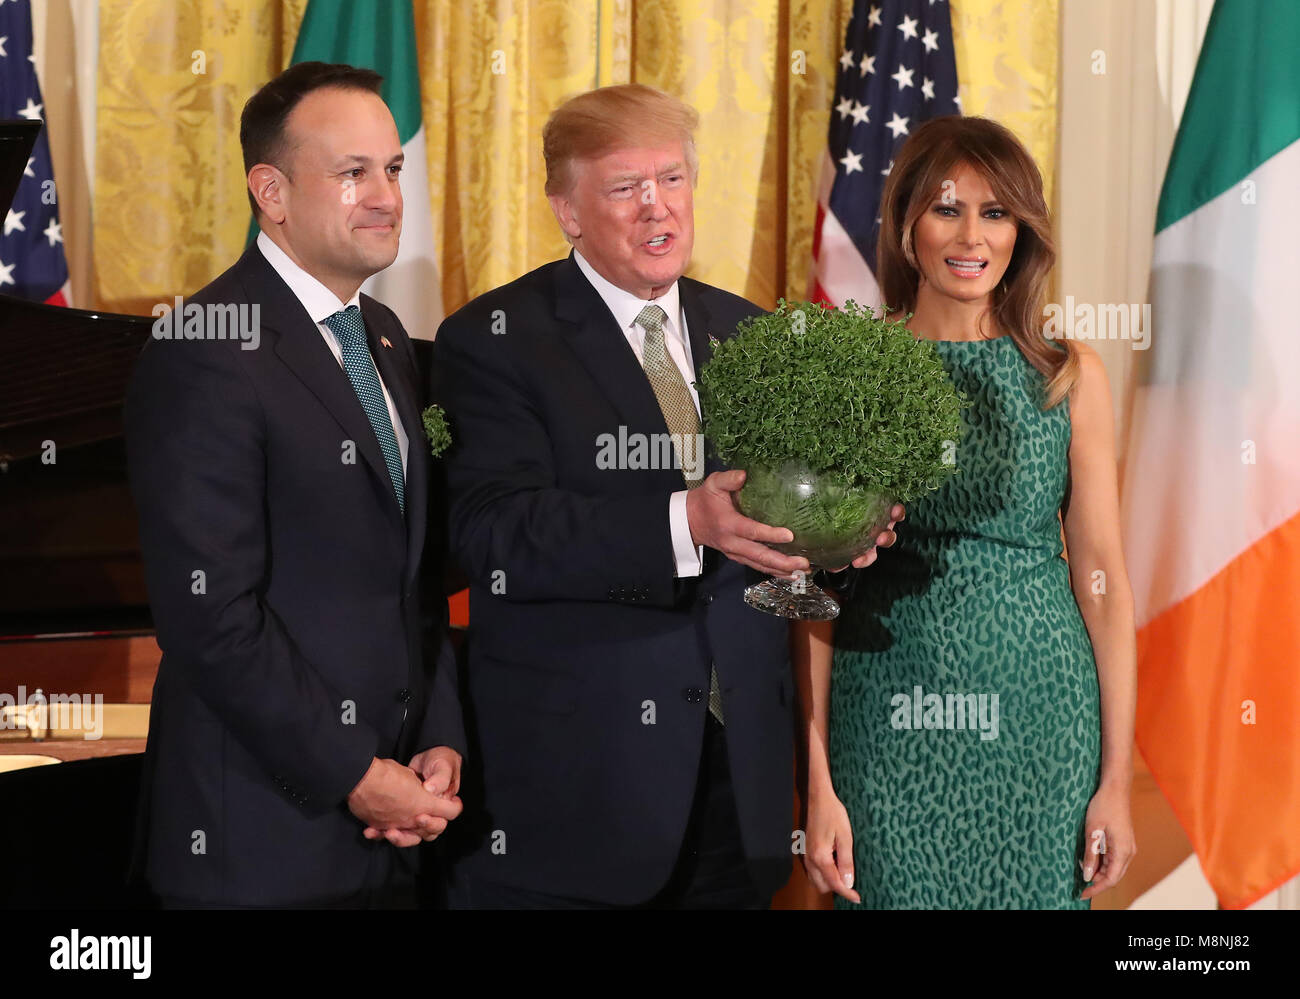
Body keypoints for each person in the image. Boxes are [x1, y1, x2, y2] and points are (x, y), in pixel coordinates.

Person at [431, 83, 902, 909]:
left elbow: (782, 546)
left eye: (673, 180)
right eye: (625, 187)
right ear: (568, 210)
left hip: (742, 791)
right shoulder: (495, 339)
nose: (659, 208)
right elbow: (492, 532)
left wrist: (841, 543)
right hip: (579, 803)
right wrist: (685, 519)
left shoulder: (754, 333)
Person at [124, 62, 465, 909]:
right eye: (353, 173)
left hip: (395, 835)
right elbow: (212, 617)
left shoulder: (382, 334)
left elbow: (412, 575)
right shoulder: (205, 346)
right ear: (269, 192)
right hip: (261, 848)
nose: (386, 195)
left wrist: (439, 738)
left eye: (391, 169)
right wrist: (354, 772)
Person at [797, 116, 1137, 909]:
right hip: (884, 718)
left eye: (997, 212)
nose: (972, 235)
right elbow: (809, 590)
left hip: (1041, 724)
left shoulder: (1068, 374)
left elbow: (1105, 585)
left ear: (1022, 229)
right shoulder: (852, 372)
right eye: (948, 208)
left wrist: (1116, 779)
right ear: (907, 222)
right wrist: (817, 780)